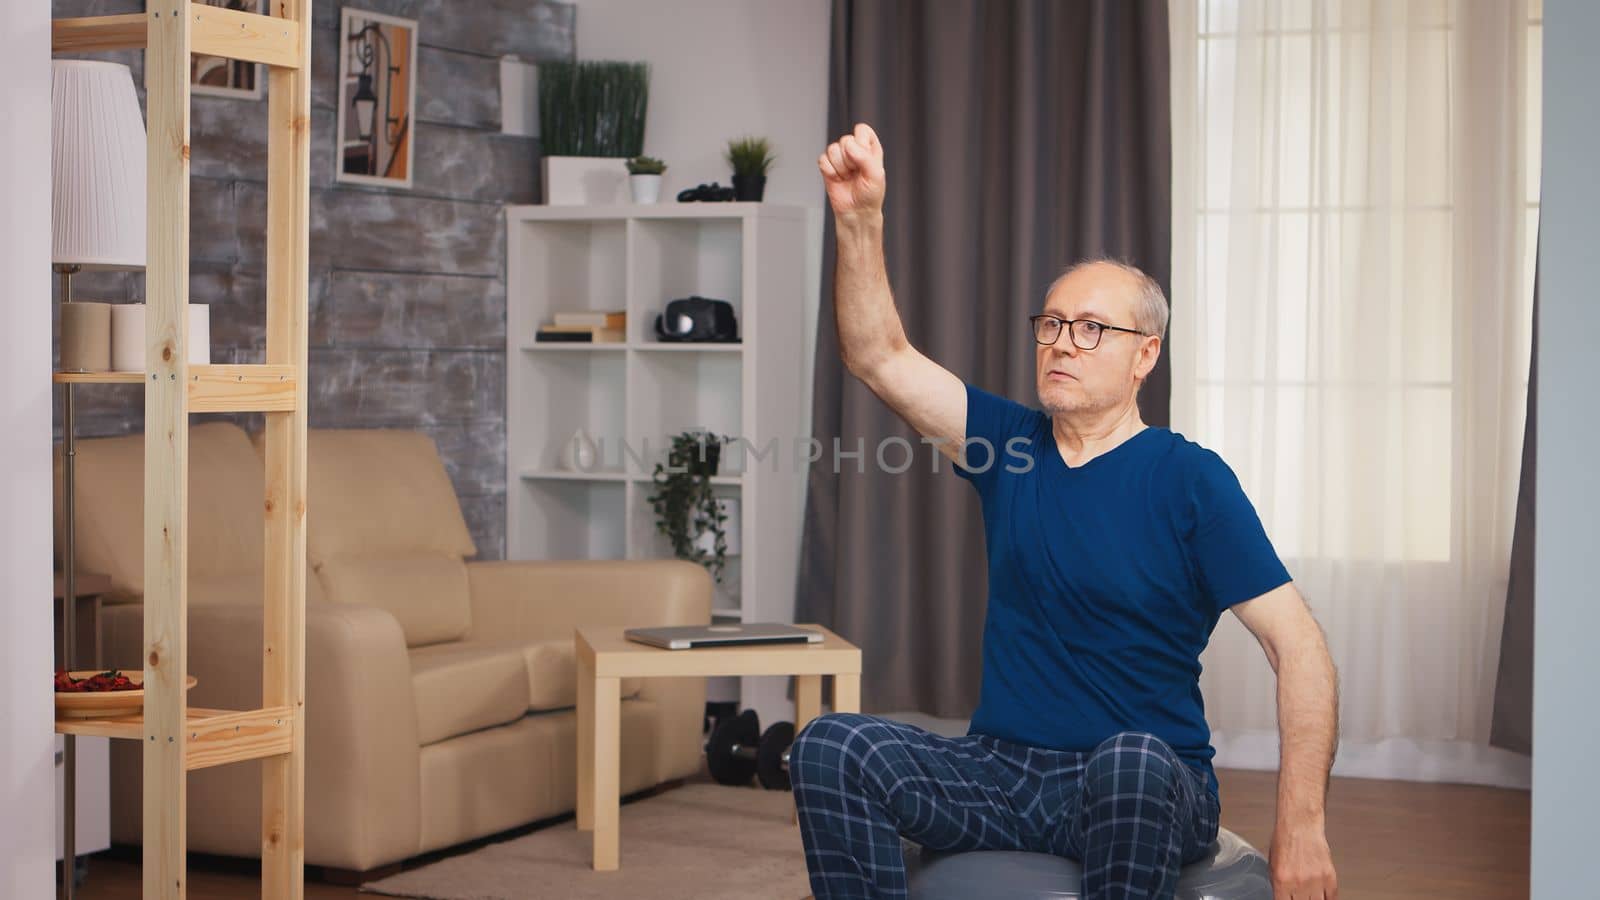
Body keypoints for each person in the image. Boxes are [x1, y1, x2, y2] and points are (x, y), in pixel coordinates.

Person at [790, 123, 1340, 900]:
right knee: (831, 745)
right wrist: (859, 218)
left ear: (1145, 354)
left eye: (1091, 330)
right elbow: (878, 356)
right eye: (1050, 325)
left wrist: (1303, 822)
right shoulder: (1008, 446)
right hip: (1001, 772)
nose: (1060, 344)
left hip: (1142, 781)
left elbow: (1299, 647)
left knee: (1132, 761)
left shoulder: (1190, 480)